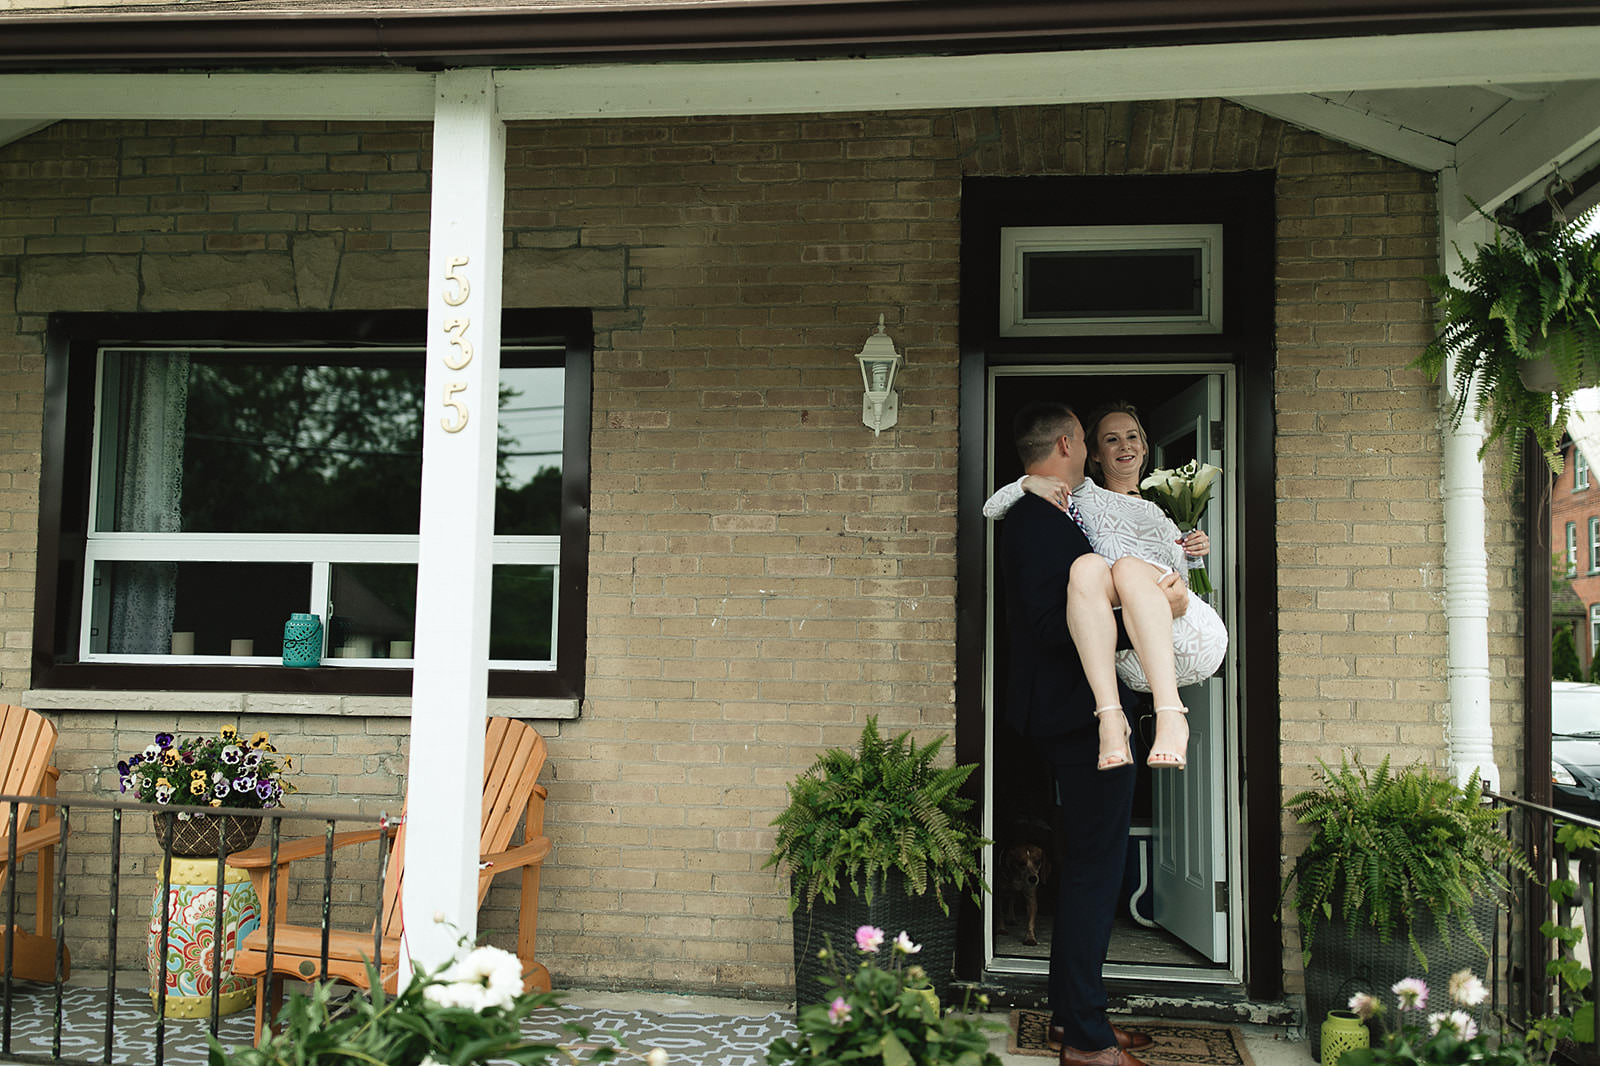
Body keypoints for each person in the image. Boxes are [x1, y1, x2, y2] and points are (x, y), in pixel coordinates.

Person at [996, 401, 1178, 1066]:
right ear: (1072, 444)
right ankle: (1087, 1042)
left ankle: (1074, 1020)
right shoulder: (1038, 520)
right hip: (1079, 720)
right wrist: (1151, 622)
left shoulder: (1047, 512)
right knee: (1095, 875)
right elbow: (1053, 627)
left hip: (1075, 716)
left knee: (1089, 871)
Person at [985, 401, 1228, 771]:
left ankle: (1172, 713)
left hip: (1180, 628)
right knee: (1086, 568)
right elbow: (992, 507)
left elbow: (1186, 581)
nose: (1125, 446)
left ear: (1145, 447)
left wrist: (1194, 557)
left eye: (1132, 437)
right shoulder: (1081, 495)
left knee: (1129, 568)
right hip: (1129, 645)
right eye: (1111, 440)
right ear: (1093, 453)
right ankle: (1111, 718)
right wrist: (1026, 481)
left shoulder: (1164, 512)